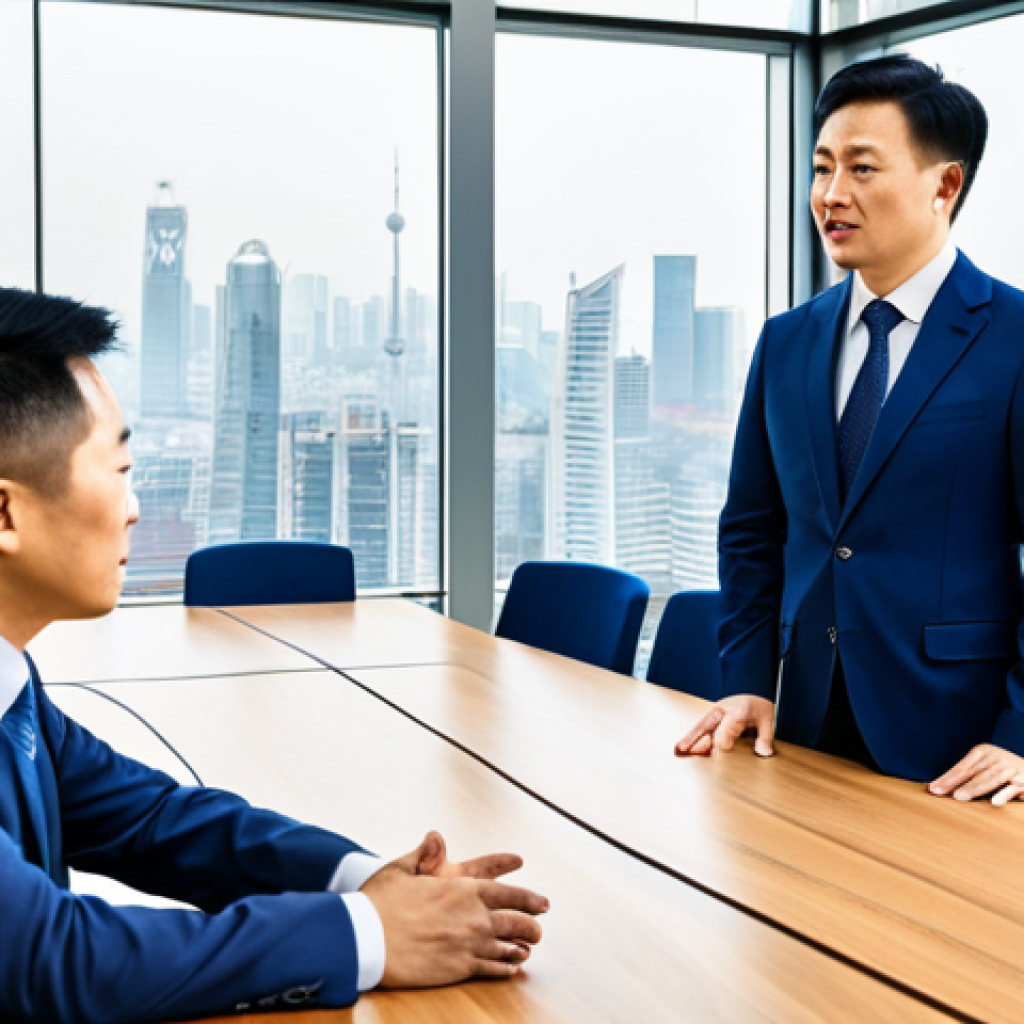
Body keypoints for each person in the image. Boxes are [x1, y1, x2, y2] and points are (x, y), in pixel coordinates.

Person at [0, 287, 548, 1021]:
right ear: (5, 513)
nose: (133, 507)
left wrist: (367, 882)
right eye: (120, 472)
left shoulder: (12, 681)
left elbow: (152, 819)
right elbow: (58, 958)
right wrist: (370, 933)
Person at [675, 54, 1024, 807]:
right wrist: (745, 682)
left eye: (863, 169)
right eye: (822, 167)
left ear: (945, 185)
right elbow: (751, 528)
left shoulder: (1016, 338)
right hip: (800, 728)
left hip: (962, 747)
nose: (831, 195)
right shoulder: (787, 341)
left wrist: (1022, 736)